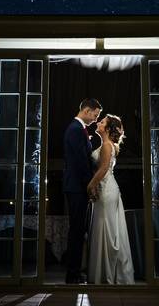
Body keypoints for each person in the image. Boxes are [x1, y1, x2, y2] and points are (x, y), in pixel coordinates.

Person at [86, 114, 135, 284]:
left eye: (102, 122)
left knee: (106, 229)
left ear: (107, 129)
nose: (98, 123)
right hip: (107, 188)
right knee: (106, 229)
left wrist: (90, 185)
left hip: (106, 189)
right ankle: (105, 272)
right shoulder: (106, 144)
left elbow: (103, 169)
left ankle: (107, 274)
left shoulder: (107, 146)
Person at [62, 98, 102, 284]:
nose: (95, 119)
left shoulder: (79, 130)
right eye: (95, 115)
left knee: (79, 230)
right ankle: (73, 274)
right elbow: (80, 163)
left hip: (77, 187)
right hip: (77, 187)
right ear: (86, 110)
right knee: (77, 231)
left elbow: (83, 155)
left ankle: (75, 271)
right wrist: (90, 185)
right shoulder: (75, 130)